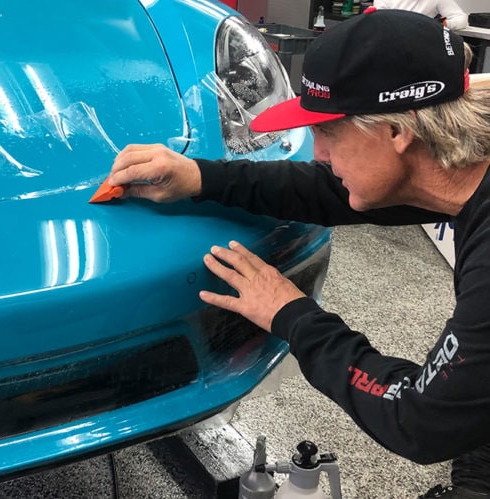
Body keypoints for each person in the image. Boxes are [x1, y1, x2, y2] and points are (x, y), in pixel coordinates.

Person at [106, 9, 490, 499]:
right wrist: (202, 177)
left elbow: (418, 418)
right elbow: (326, 191)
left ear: (398, 132)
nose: (318, 152)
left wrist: (291, 315)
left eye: (329, 132)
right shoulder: (456, 165)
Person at [374, 0, 469, 30]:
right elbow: (379, 22)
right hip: (389, 43)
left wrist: (444, 25)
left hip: (421, 45)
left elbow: (462, 19)